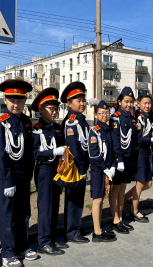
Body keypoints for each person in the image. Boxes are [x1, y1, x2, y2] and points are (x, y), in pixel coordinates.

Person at [0, 80, 38, 267]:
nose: (16, 104)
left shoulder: (26, 122)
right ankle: (7, 252)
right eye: (12, 100)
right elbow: (0, 154)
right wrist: (7, 179)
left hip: (23, 176)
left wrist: (28, 174)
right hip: (8, 177)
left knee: (23, 213)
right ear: (4, 99)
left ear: (25, 101)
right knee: (7, 214)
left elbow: (28, 152)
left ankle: (22, 245)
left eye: (20, 100)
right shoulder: (0, 123)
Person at [31, 88, 67, 255]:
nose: (54, 112)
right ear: (40, 109)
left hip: (56, 170)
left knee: (54, 205)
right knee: (45, 206)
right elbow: (34, 153)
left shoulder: (57, 128)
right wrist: (52, 152)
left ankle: (51, 238)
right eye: (51, 109)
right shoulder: (36, 129)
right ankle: (43, 242)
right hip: (44, 170)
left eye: (56, 109)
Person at [60, 82, 90, 244]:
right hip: (75, 168)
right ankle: (71, 232)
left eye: (83, 100)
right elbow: (74, 149)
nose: (82, 103)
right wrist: (82, 168)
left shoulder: (81, 120)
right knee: (73, 199)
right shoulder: (71, 122)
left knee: (78, 199)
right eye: (78, 100)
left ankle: (75, 227)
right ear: (69, 104)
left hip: (82, 167)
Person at [124, 90, 153, 223]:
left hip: (146, 153)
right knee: (140, 183)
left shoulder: (148, 117)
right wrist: (152, 139)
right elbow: (139, 139)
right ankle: (134, 211)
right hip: (140, 153)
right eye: (145, 103)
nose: (147, 106)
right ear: (138, 104)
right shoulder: (139, 118)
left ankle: (122, 200)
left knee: (148, 184)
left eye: (149, 103)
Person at [88, 100, 117, 242]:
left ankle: (98, 228)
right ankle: (97, 233)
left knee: (101, 199)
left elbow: (110, 152)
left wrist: (112, 166)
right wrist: (106, 168)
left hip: (106, 169)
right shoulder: (95, 131)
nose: (105, 115)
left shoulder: (108, 130)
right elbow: (94, 155)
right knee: (97, 200)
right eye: (101, 113)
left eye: (107, 113)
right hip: (98, 171)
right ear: (95, 115)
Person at [109, 86, 137, 234]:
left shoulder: (132, 119)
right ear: (119, 102)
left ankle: (120, 218)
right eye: (126, 101)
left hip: (127, 160)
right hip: (118, 160)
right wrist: (119, 158)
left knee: (122, 189)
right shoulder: (115, 118)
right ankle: (115, 219)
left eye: (131, 102)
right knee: (116, 189)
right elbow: (115, 139)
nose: (129, 105)